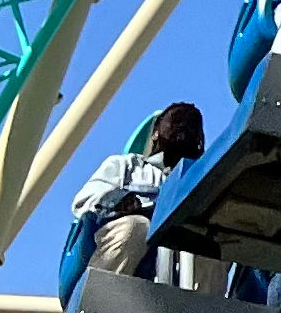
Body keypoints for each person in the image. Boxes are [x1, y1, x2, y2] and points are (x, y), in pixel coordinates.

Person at [69, 102, 209, 281]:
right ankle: (102, 297)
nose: (183, 127)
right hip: (124, 243)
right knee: (137, 227)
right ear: (155, 133)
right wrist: (117, 202)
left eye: (191, 124)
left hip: (176, 265)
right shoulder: (128, 166)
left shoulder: (199, 183)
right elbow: (85, 200)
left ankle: (201, 307)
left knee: (208, 249)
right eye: (176, 120)